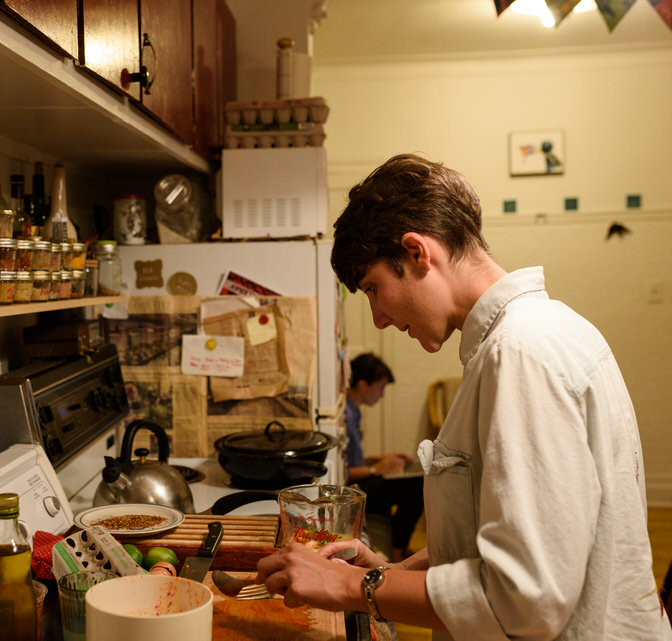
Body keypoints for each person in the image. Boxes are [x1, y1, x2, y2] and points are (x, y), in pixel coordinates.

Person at [256, 154, 671, 640]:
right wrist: (393, 573)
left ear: (417, 253)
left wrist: (355, 586)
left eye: (373, 288)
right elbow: (525, 529)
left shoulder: (520, 353)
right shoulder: (542, 332)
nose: (378, 319)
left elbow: (527, 598)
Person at [344, 353, 423, 563]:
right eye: (380, 388)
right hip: (354, 486)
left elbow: (354, 459)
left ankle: (400, 547)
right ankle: (398, 552)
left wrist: (382, 459)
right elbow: (344, 473)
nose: (382, 395)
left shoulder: (353, 410)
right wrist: (376, 469)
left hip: (361, 478)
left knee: (415, 480)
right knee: (417, 487)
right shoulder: (345, 414)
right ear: (363, 385)